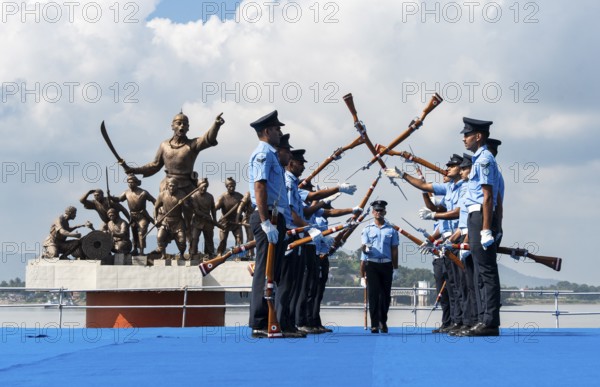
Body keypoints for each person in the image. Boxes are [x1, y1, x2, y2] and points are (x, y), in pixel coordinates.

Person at [385, 154, 465, 333]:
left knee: (459, 286)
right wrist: (404, 175)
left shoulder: (464, 188)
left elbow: (448, 212)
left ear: (461, 168)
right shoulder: (449, 188)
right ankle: (453, 322)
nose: (448, 168)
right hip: (447, 243)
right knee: (450, 287)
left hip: (458, 240)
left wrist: (435, 219)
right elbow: (427, 191)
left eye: (452, 166)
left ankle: (462, 321)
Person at [119, 111, 225, 244]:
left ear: (188, 128)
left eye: (184, 124)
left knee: (190, 217)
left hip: (187, 185)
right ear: (172, 126)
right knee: (165, 215)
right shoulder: (164, 145)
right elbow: (155, 165)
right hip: (167, 185)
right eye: (178, 123)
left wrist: (216, 125)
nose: (181, 126)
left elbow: (207, 138)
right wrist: (134, 169)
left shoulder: (192, 145)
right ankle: (162, 244)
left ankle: (191, 247)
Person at [455, 117, 501, 337]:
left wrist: (485, 229)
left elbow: (488, 196)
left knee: (486, 271)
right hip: (474, 216)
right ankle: (484, 320)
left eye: (467, 134)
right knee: (481, 273)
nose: (464, 138)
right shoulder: (478, 159)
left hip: (479, 217)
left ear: (479, 136)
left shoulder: (484, 159)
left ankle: (490, 323)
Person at [247, 110, 290, 339]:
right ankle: (259, 322)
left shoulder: (271, 154)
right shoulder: (263, 153)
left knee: (274, 271)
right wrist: (265, 222)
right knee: (264, 270)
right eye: (277, 129)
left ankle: (272, 321)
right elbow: (260, 187)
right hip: (269, 217)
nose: (279, 133)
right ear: (266, 131)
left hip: (277, 216)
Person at [360, 200, 399, 333]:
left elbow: (394, 250)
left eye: (381, 210)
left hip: (386, 265)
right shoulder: (367, 229)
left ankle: (383, 321)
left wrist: (396, 268)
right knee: (373, 295)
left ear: (385, 212)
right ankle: (374, 324)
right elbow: (363, 249)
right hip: (372, 264)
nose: (378, 212)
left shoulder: (392, 230)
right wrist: (365, 249)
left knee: (385, 296)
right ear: (372, 212)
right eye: (376, 210)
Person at [116, 174, 156, 255]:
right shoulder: (126, 192)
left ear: (136, 183)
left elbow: (154, 201)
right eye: (129, 182)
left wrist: (158, 210)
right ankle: (135, 249)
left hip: (143, 216)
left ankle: (141, 251)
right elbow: (119, 199)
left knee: (141, 233)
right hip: (133, 217)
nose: (130, 184)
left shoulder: (143, 193)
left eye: (132, 182)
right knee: (134, 234)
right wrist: (110, 197)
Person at [153, 178, 188, 260]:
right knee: (160, 237)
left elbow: (187, 208)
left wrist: (183, 203)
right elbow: (156, 207)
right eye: (170, 186)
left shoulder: (181, 194)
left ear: (177, 186)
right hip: (166, 220)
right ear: (167, 186)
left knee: (182, 240)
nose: (172, 188)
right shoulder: (162, 195)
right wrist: (155, 219)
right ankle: (163, 255)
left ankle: (182, 255)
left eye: (174, 186)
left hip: (178, 221)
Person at [189, 178, 218, 259]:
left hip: (208, 222)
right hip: (197, 221)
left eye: (205, 187)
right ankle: (193, 253)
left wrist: (214, 219)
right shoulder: (194, 196)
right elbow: (196, 210)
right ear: (199, 187)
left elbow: (213, 208)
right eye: (202, 187)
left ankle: (210, 253)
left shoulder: (210, 196)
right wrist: (205, 216)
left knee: (209, 238)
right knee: (194, 237)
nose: (204, 188)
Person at [215, 177, 244, 255]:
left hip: (236, 222)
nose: (232, 188)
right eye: (230, 186)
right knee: (222, 241)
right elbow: (214, 209)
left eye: (233, 186)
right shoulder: (222, 198)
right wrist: (213, 220)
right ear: (226, 187)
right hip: (225, 223)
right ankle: (219, 254)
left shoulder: (240, 196)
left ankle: (240, 255)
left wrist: (244, 218)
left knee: (239, 239)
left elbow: (246, 209)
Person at [236, 191, 255, 259]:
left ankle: (250, 254)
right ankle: (250, 254)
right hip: (248, 218)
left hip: (259, 217)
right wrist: (237, 219)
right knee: (250, 237)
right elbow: (241, 206)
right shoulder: (248, 194)